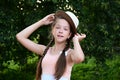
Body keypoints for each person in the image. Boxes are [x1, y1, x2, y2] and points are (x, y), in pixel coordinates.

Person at [16, 10, 86, 80]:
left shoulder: (69, 54)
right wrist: (41, 22)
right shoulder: (45, 50)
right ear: (53, 30)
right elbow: (20, 37)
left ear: (69, 34)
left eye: (65, 29)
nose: (60, 31)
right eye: (58, 27)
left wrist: (75, 40)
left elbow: (79, 58)